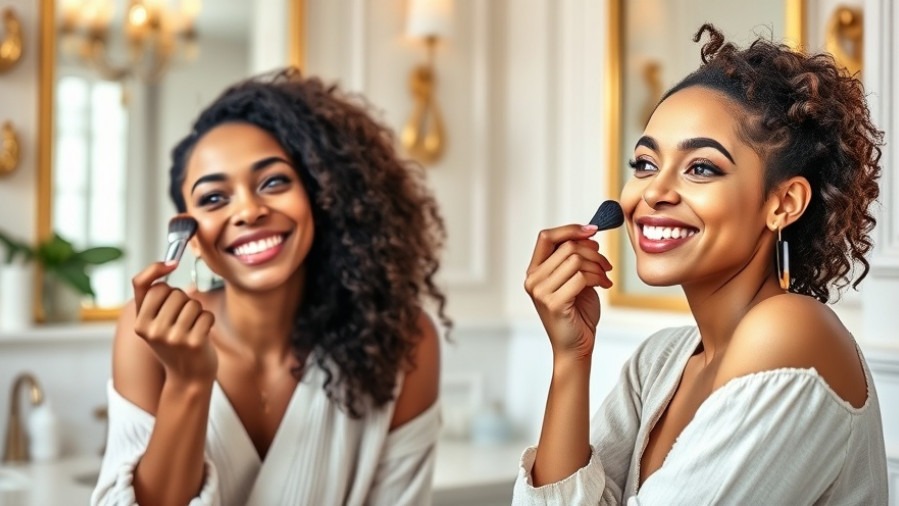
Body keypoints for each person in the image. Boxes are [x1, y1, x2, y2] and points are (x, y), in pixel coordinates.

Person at [513, 24, 888, 504]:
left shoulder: (793, 331)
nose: (654, 192)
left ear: (784, 202)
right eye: (645, 163)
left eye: (701, 168)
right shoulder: (659, 363)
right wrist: (571, 359)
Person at [92, 68, 449, 506]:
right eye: (213, 198)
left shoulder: (402, 343)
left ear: (320, 198)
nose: (248, 210)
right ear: (194, 240)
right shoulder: (145, 334)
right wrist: (187, 382)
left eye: (274, 181)